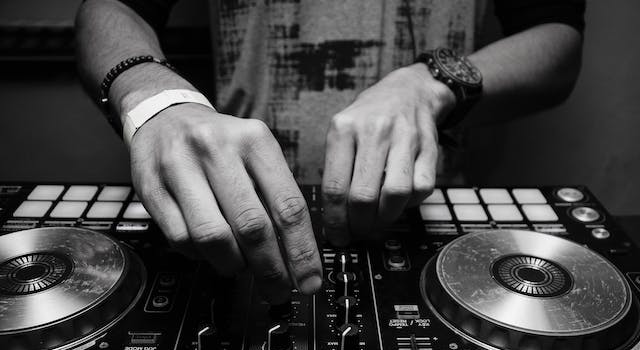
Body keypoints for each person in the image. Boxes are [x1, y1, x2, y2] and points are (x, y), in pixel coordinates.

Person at [75, 0, 585, 305]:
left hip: (423, 215)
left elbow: (558, 41)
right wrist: (155, 100)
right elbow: (109, 7)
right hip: (221, 213)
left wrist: (433, 83)